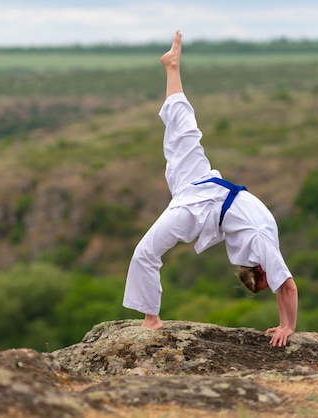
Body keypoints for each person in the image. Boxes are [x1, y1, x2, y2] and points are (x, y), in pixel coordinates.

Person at [122, 30, 298, 348]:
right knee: (145, 253)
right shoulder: (261, 243)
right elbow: (286, 286)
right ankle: (151, 318)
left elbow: (279, 284)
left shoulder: (264, 239)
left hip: (206, 185)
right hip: (199, 205)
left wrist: (284, 322)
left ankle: (172, 69)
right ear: (258, 270)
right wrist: (288, 326)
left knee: (184, 130)